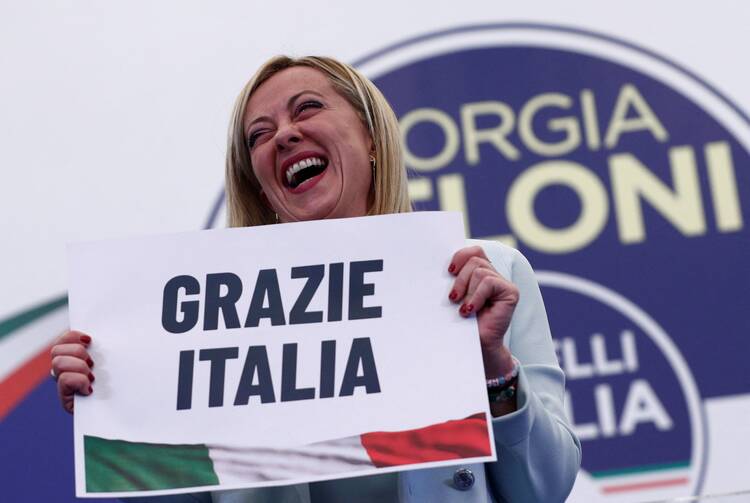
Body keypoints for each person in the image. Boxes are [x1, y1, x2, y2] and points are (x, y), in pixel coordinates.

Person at [51, 56, 581, 503]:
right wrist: (121, 412)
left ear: (371, 136)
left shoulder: (486, 275)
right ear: (260, 186)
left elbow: (546, 487)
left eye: (307, 108)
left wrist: (493, 368)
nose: (283, 134)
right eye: (259, 135)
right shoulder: (208, 322)